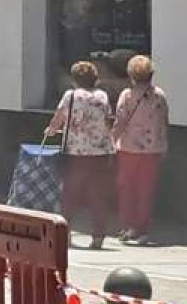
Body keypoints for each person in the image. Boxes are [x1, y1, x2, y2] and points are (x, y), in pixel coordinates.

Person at [44, 60, 114, 249]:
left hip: (75, 153)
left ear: (74, 79)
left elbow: (59, 117)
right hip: (99, 153)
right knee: (98, 196)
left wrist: (51, 130)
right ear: (95, 78)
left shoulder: (71, 95)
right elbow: (108, 121)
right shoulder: (102, 96)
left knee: (70, 195)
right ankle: (98, 236)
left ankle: (64, 234)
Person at [112, 54, 169, 246]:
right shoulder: (159, 95)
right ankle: (143, 229)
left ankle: (129, 226)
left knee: (126, 188)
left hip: (128, 148)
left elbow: (120, 121)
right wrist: (164, 145)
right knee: (146, 190)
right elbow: (164, 121)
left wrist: (111, 140)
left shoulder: (127, 95)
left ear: (131, 75)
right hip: (153, 149)